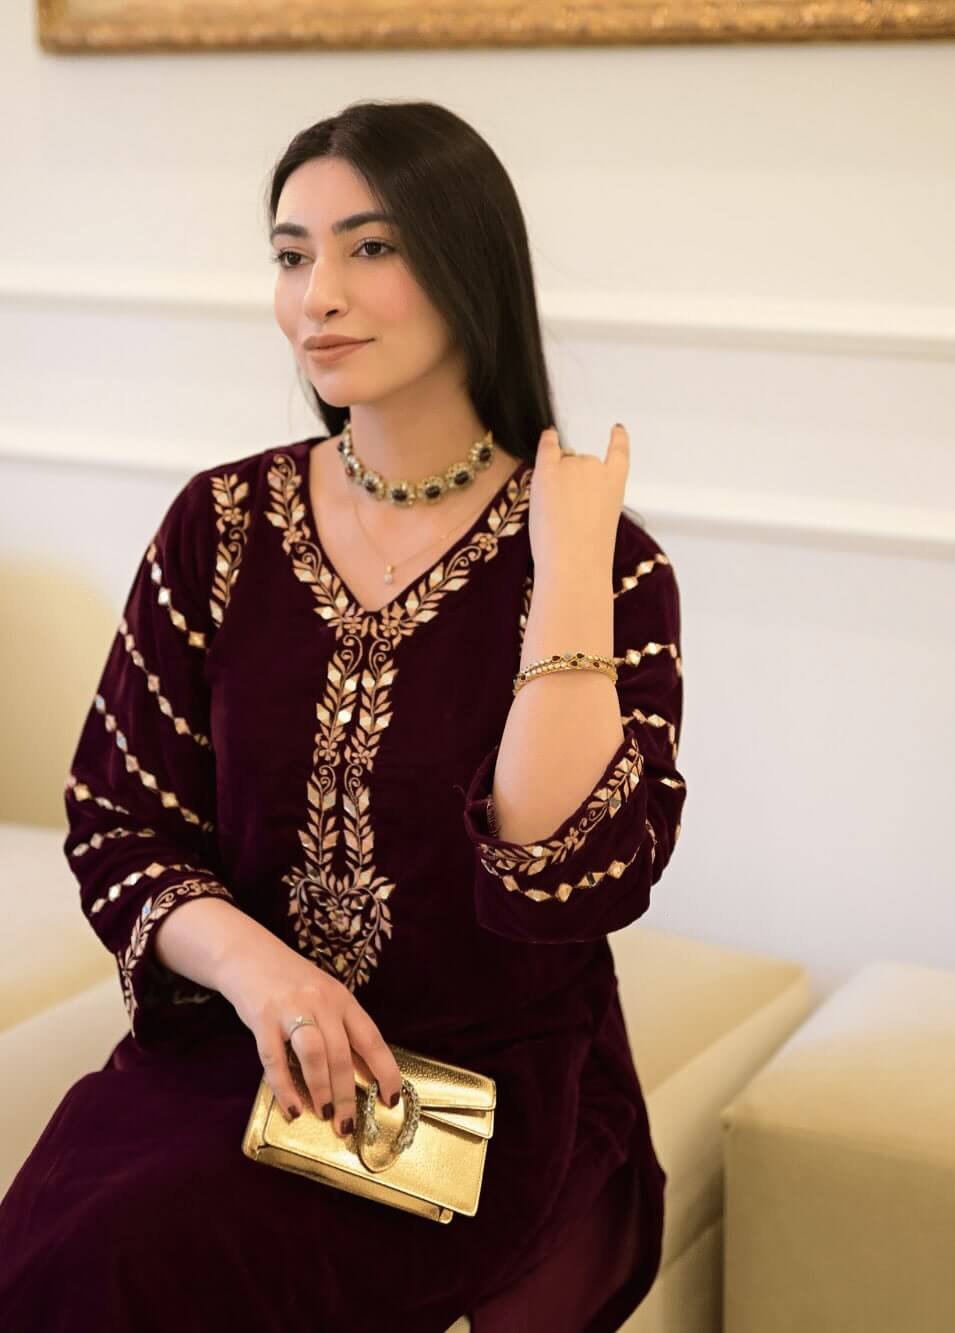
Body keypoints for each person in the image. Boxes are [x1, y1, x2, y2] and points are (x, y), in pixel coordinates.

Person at [0, 100, 687, 1332]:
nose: (315, 296)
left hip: (472, 1094)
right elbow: (118, 822)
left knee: (142, 1259)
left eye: (370, 247)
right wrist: (264, 975)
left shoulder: (607, 566)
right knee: (70, 1245)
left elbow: (554, 881)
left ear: (467, 264)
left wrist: (567, 570)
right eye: (291, 254)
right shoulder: (219, 526)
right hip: (239, 1048)